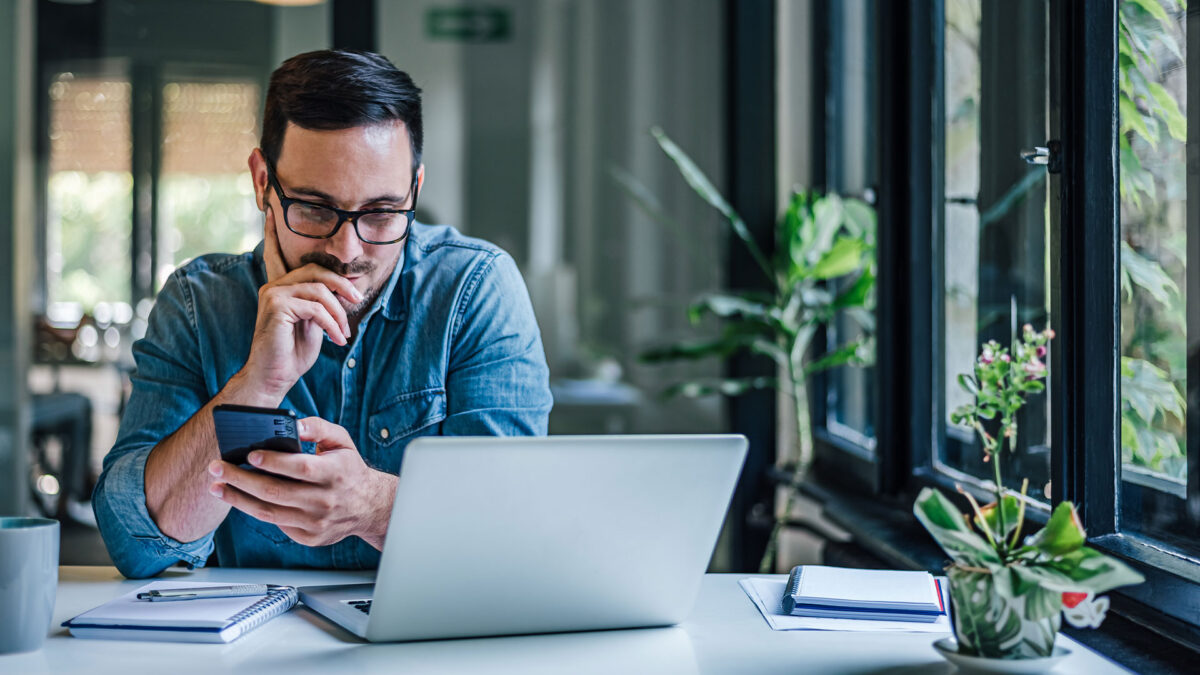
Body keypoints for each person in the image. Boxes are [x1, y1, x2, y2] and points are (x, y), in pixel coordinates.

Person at [93, 50, 553, 578]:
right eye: (314, 208)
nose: (345, 249)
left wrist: (377, 508)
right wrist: (256, 388)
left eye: (381, 213)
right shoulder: (200, 304)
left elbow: (513, 532)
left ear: (415, 190)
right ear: (263, 181)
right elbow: (135, 543)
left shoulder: (474, 291)